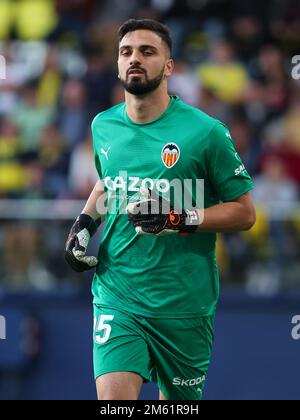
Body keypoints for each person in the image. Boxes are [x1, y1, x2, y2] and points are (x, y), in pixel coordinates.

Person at [65, 19, 256, 400]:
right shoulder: (103, 125)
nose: (134, 59)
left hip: (184, 303)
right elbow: (110, 182)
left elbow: (244, 212)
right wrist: (84, 225)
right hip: (117, 292)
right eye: (126, 52)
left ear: (169, 66)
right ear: (118, 65)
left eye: (147, 51)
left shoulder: (206, 132)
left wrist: (178, 218)